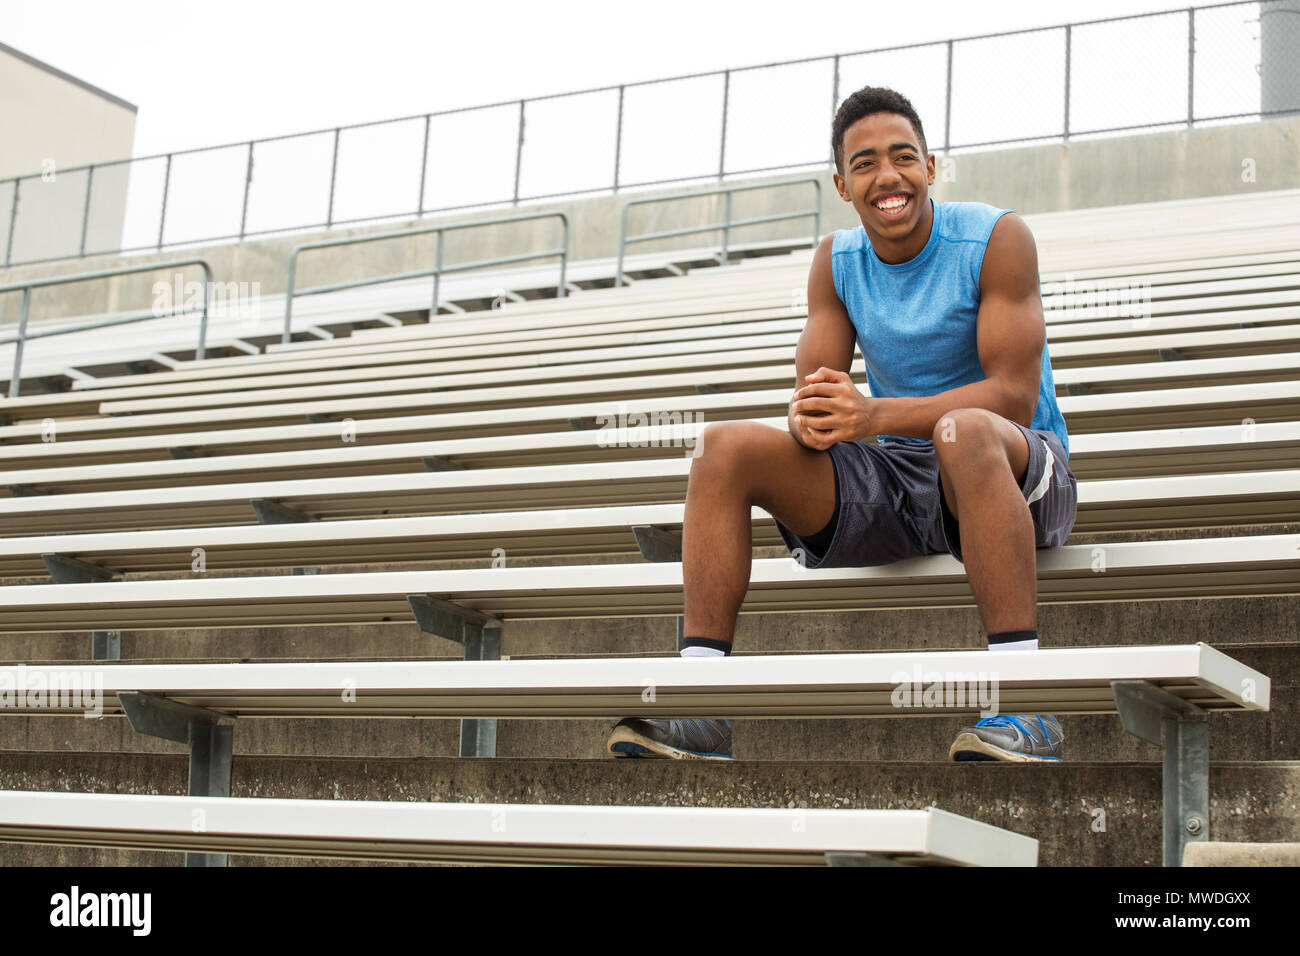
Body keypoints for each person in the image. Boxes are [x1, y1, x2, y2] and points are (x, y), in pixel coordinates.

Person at [605, 86, 1077, 763]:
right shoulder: (836, 261)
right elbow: (818, 400)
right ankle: (700, 706)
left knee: (964, 431)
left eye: (903, 157)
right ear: (841, 184)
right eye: (865, 164)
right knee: (721, 447)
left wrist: (874, 415)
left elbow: (1013, 397)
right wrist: (813, 420)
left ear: (931, 167)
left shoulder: (996, 237)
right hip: (905, 475)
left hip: (1016, 467)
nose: (887, 176)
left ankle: (1029, 702)